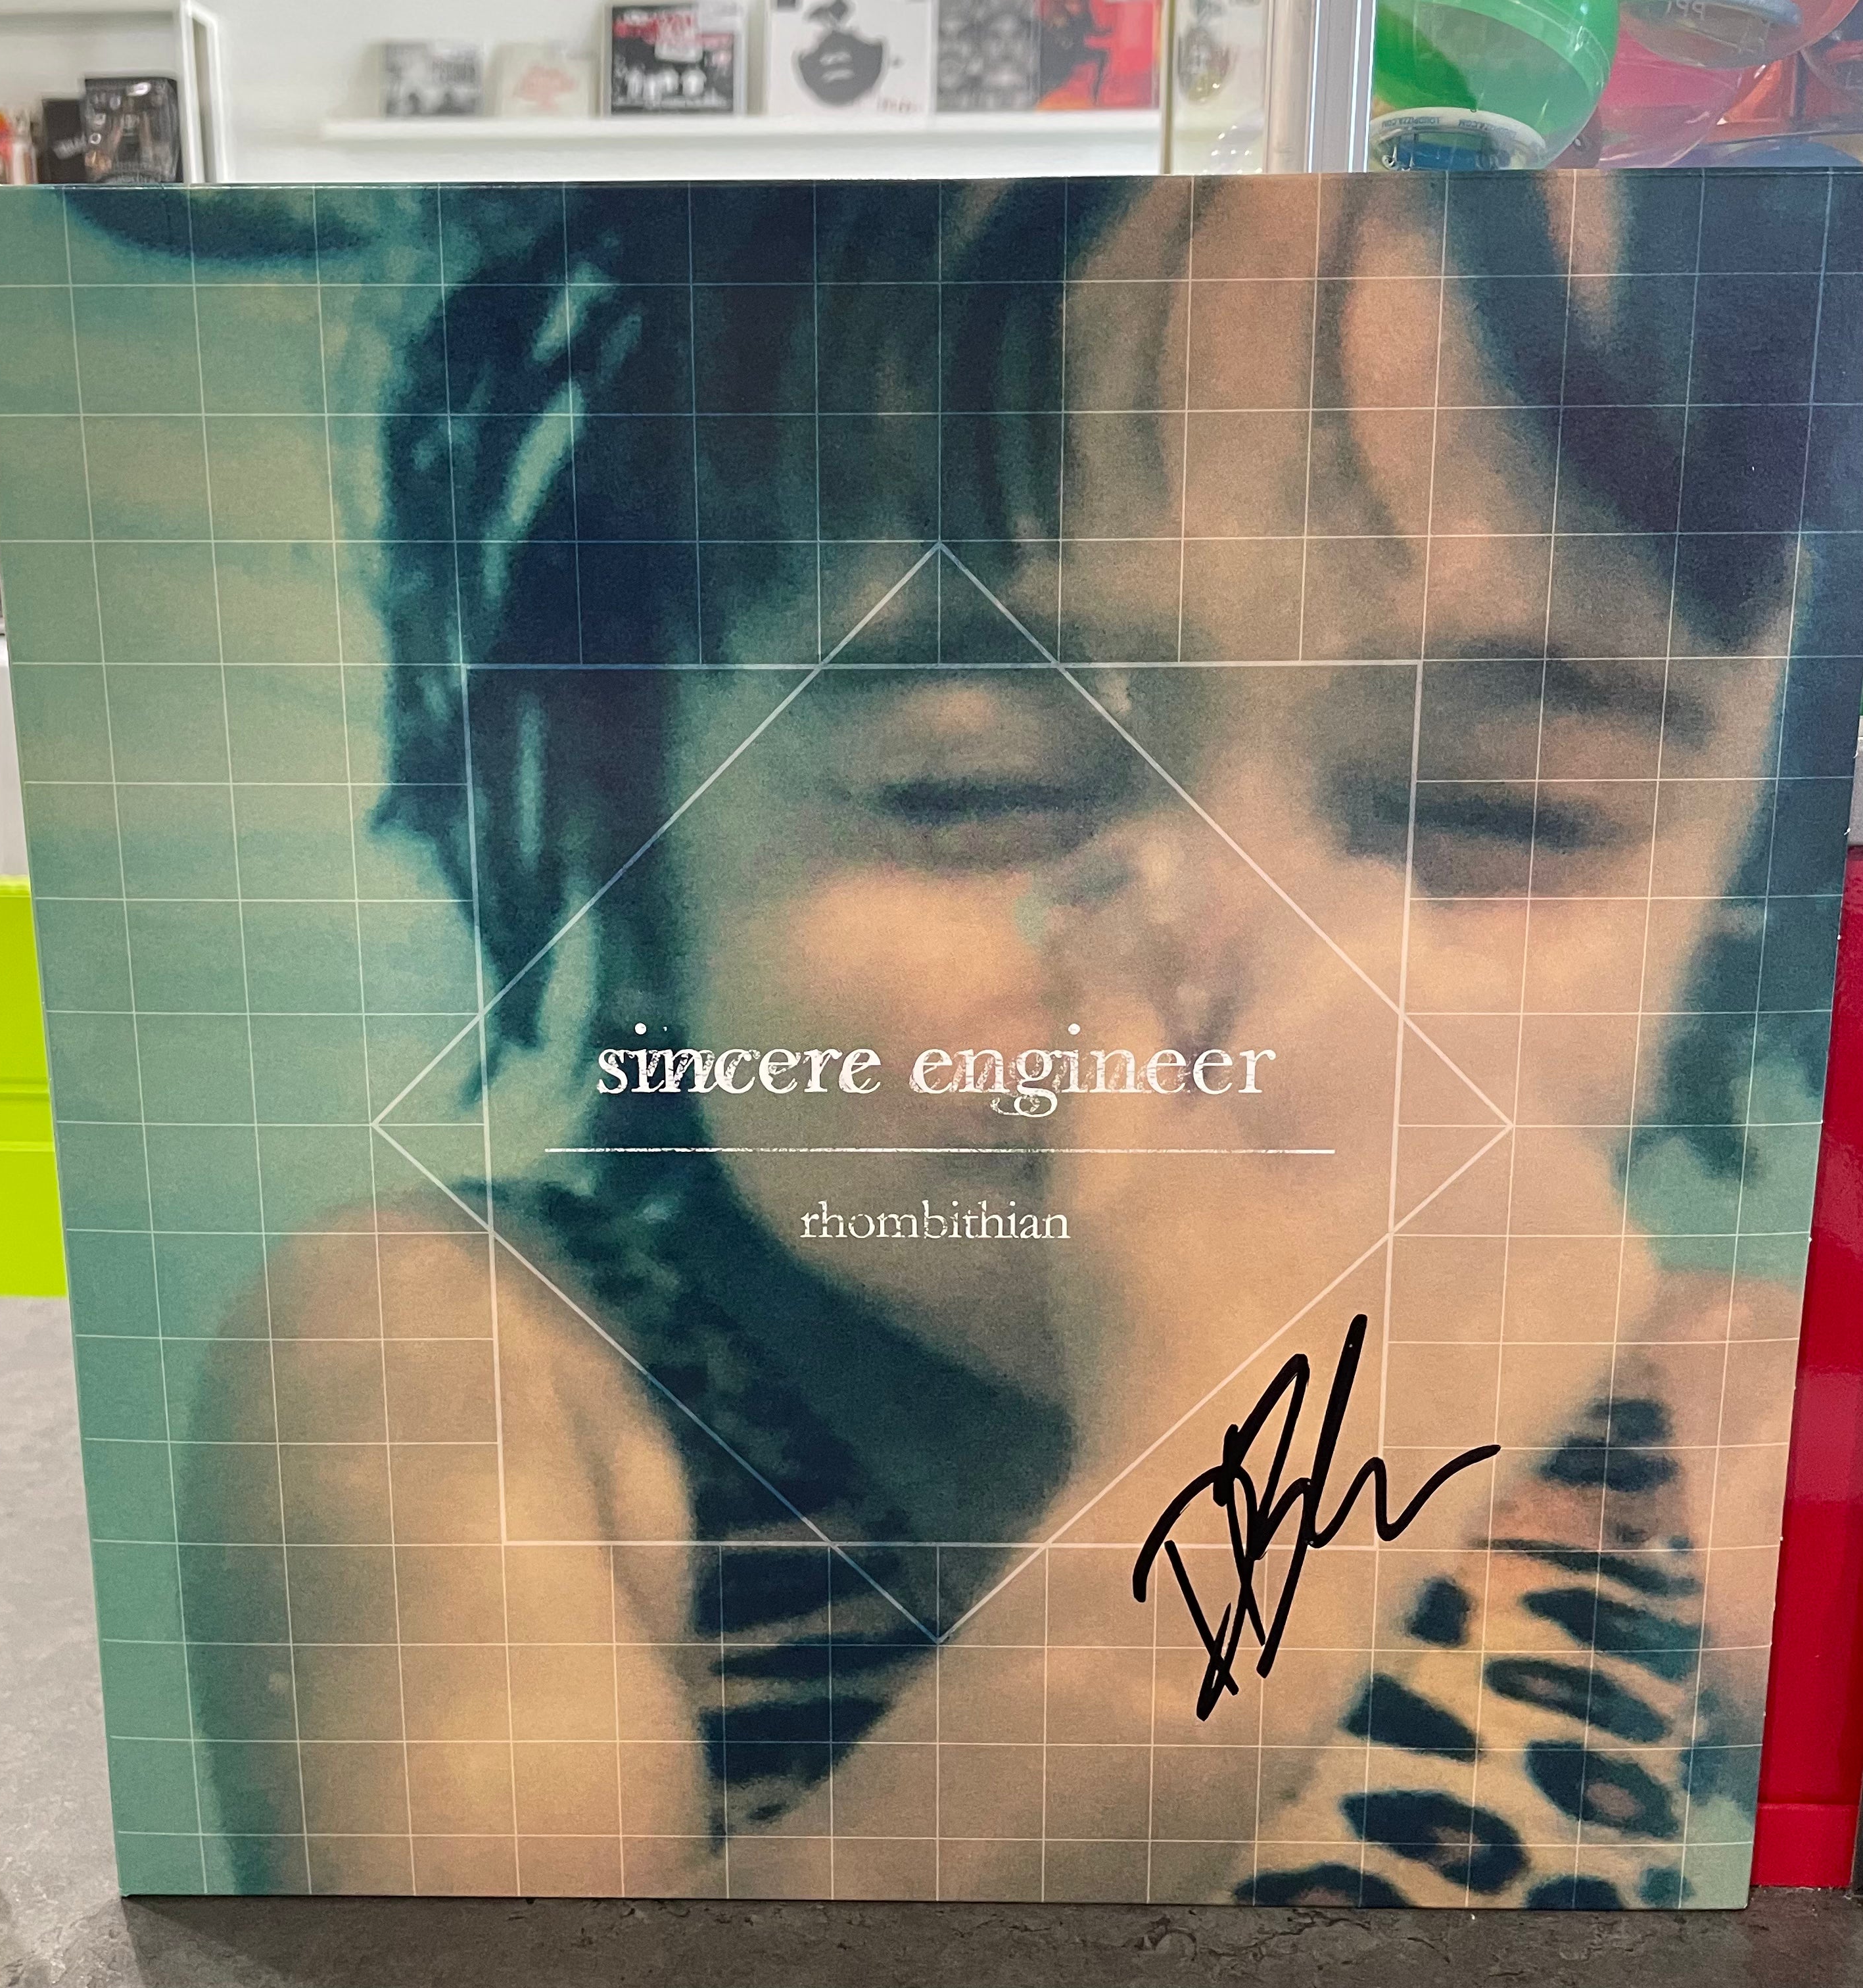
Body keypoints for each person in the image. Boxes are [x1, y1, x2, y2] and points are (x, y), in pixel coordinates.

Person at [190, 172, 1853, 1906]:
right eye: (972, 785)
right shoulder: (461, 1365)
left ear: (1733, 906)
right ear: (634, 843)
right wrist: (1245, 1508)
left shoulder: (1721, 1424)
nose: (1248, 978)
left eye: (1508, 810)